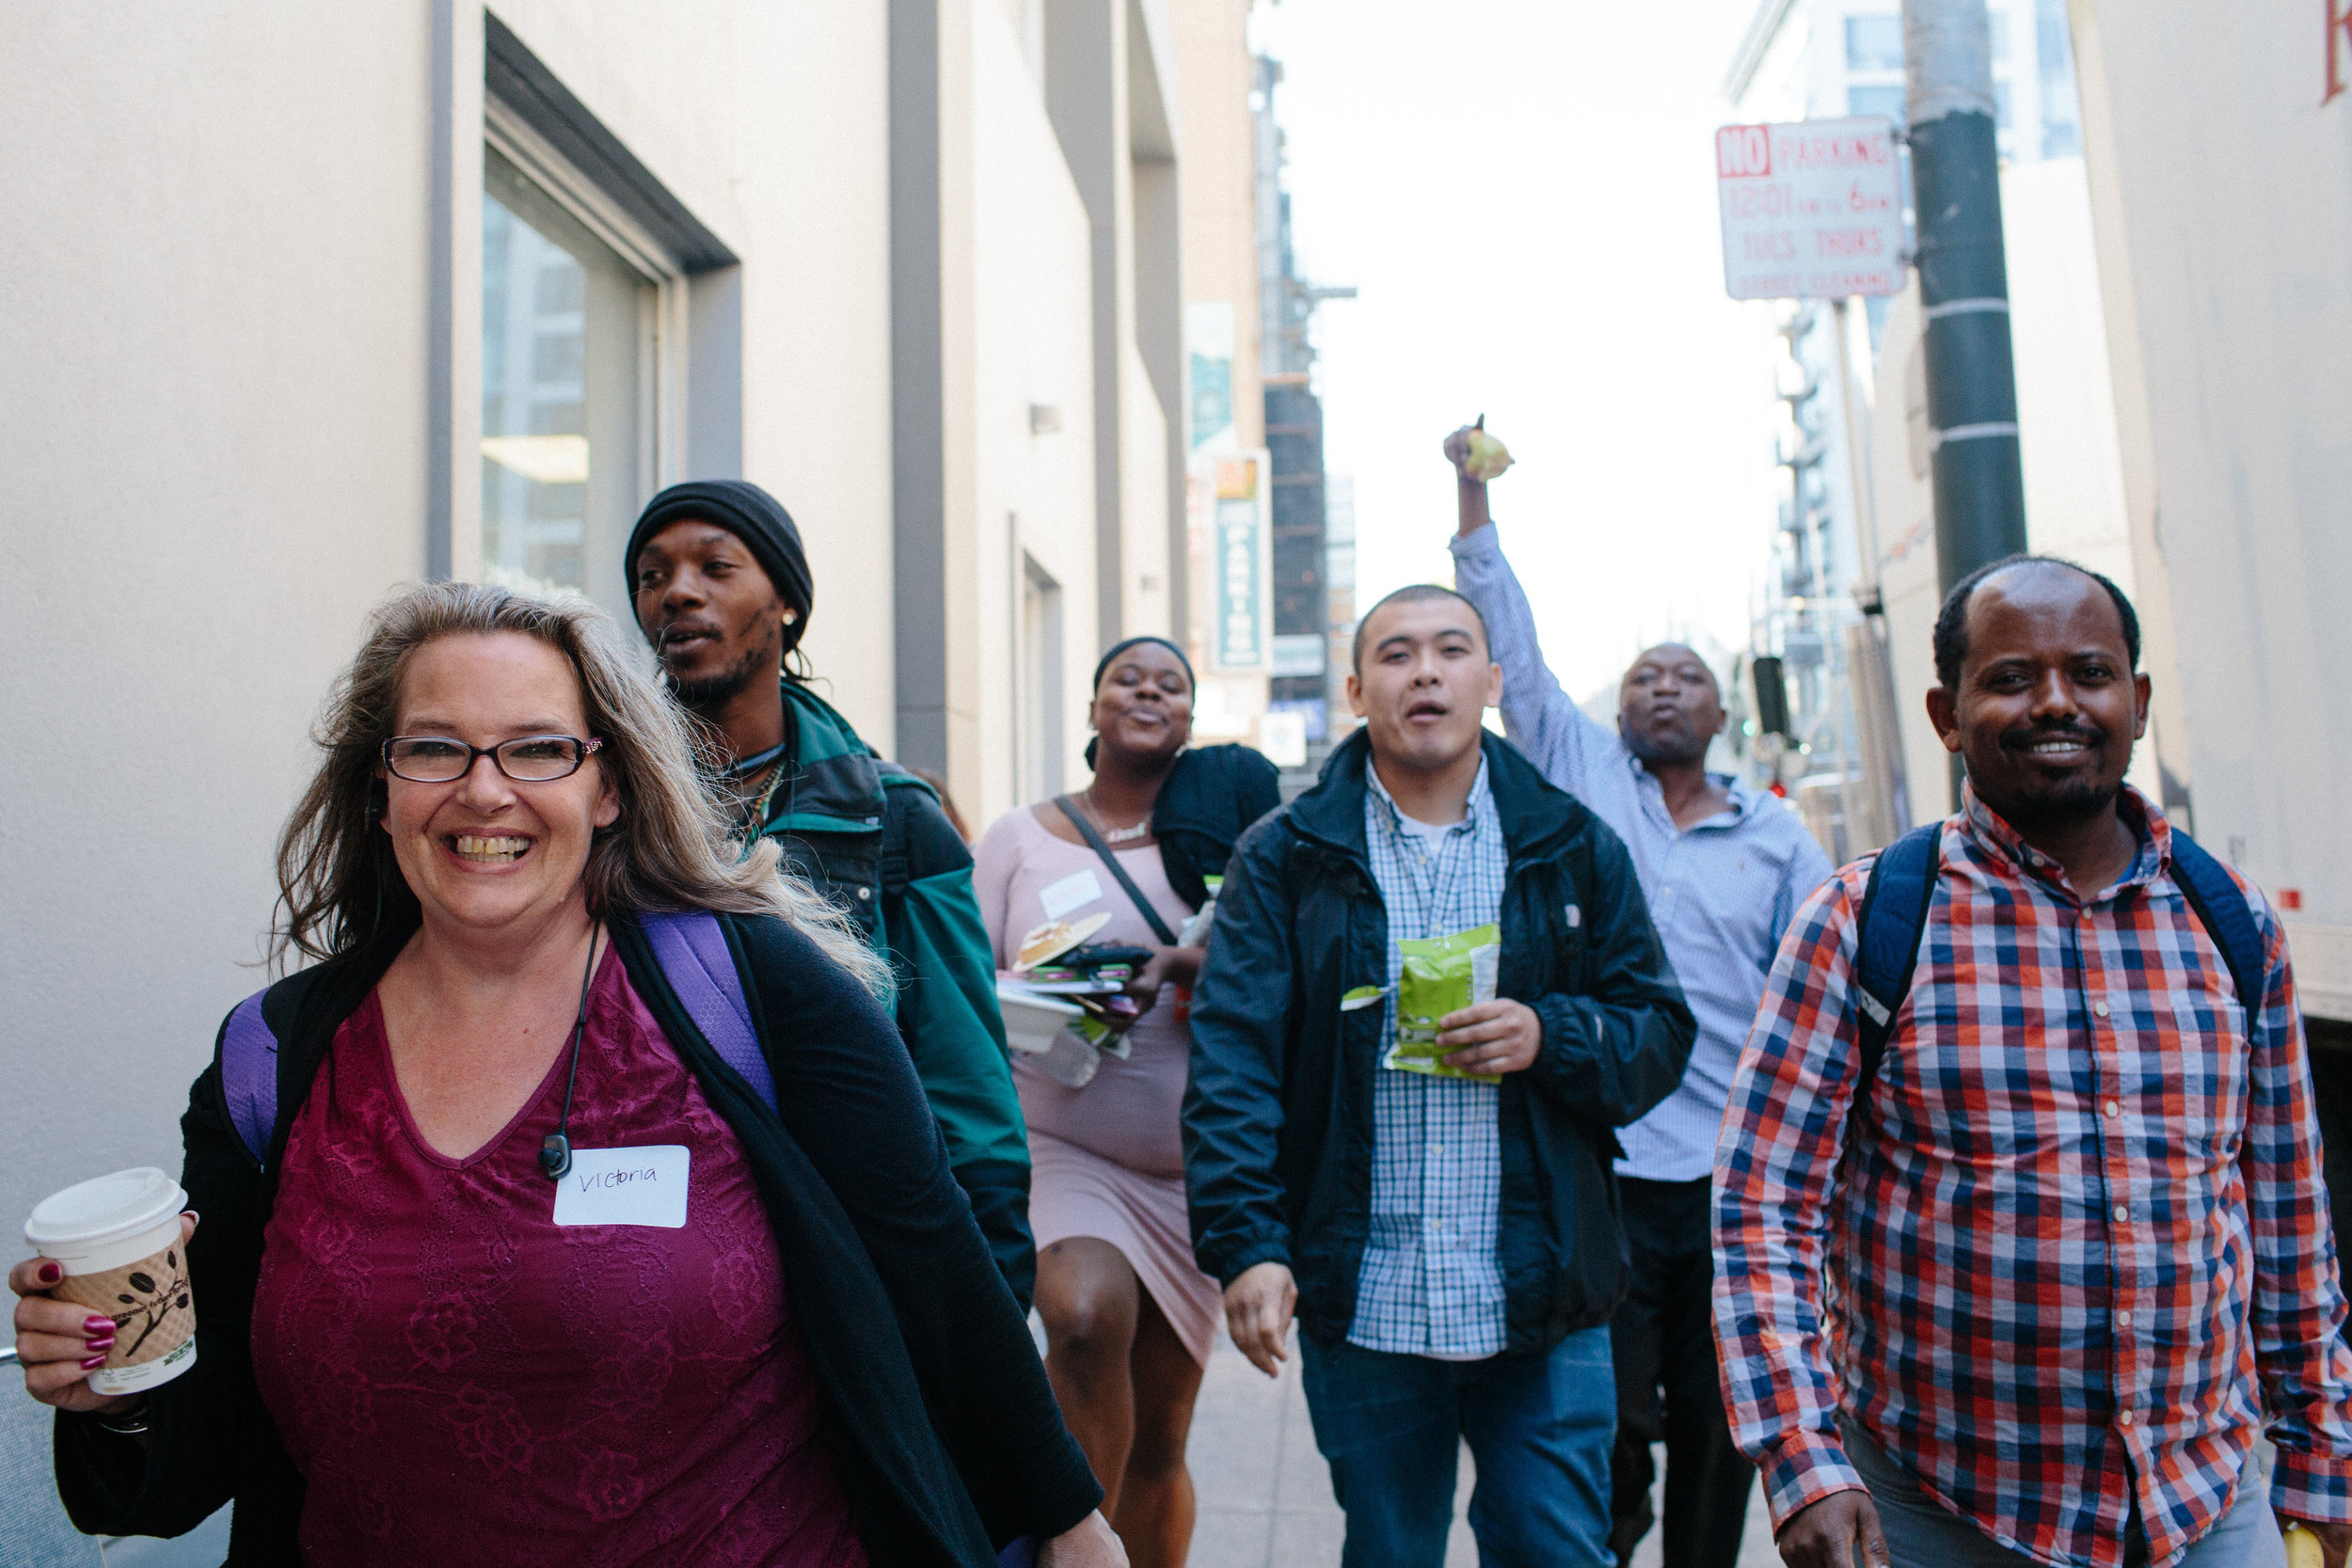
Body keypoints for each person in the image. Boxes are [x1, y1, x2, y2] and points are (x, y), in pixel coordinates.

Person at [10, 583, 1121, 1566]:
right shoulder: (275, 1058)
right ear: (380, 788)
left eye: (537, 748)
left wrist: (1068, 1518)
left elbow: (934, 1262)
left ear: (608, 788)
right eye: (434, 747)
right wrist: (109, 1393)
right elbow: (204, 1441)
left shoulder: (750, 992)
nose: (483, 791)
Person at [1713, 556, 2352, 1568]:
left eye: (2089, 672)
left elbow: (2284, 1206)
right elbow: (1763, 1205)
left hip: (2204, 1502)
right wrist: (1801, 1455)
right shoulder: (1862, 921)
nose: (2056, 700)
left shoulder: (2230, 921)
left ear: (2135, 703)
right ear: (1945, 710)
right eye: (2010, 677)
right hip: (1937, 1510)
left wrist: (2322, 1446)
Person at [1184, 584, 1697, 1568]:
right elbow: (1233, 1061)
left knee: (1556, 1551)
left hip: (1542, 1293)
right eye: (1396, 653)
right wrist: (1249, 1243)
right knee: (1388, 1549)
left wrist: (1548, 1034)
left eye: (1451, 649)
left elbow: (1659, 1032)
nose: (1425, 670)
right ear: (1355, 687)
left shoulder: (1570, 845)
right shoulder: (1286, 856)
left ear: (1491, 680)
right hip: (1363, 1289)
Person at [1440, 424, 1832, 1565]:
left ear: (1721, 714)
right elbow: (1503, 627)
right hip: (1600, 1161)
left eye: (1688, 677)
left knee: (1719, 1423)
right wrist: (1470, 493)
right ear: (1616, 709)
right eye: (1645, 675)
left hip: (1728, 1174)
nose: (1664, 687)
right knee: (1606, 1424)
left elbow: (1820, 989)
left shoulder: (1778, 839)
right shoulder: (1573, 767)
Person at [625, 480, 1037, 1307]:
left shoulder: (896, 820)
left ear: (783, 602)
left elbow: (960, 1065)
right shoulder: (606, 807)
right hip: (658, 1242)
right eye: (652, 574)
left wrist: (991, 1269)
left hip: (845, 1239)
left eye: (715, 566)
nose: (677, 591)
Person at [974, 635, 1279, 1568]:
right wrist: (1049, 996)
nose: (1148, 690)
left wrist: (1192, 963)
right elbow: (962, 979)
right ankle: (1070, 1542)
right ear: (1094, 708)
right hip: (1066, 1143)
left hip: (1196, 1172)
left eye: (1171, 682)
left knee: (1161, 1435)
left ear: (1189, 715)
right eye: (1126, 678)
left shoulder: (1230, 838)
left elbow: (1282, 962)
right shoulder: (1017, 837)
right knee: (1081, 1315)